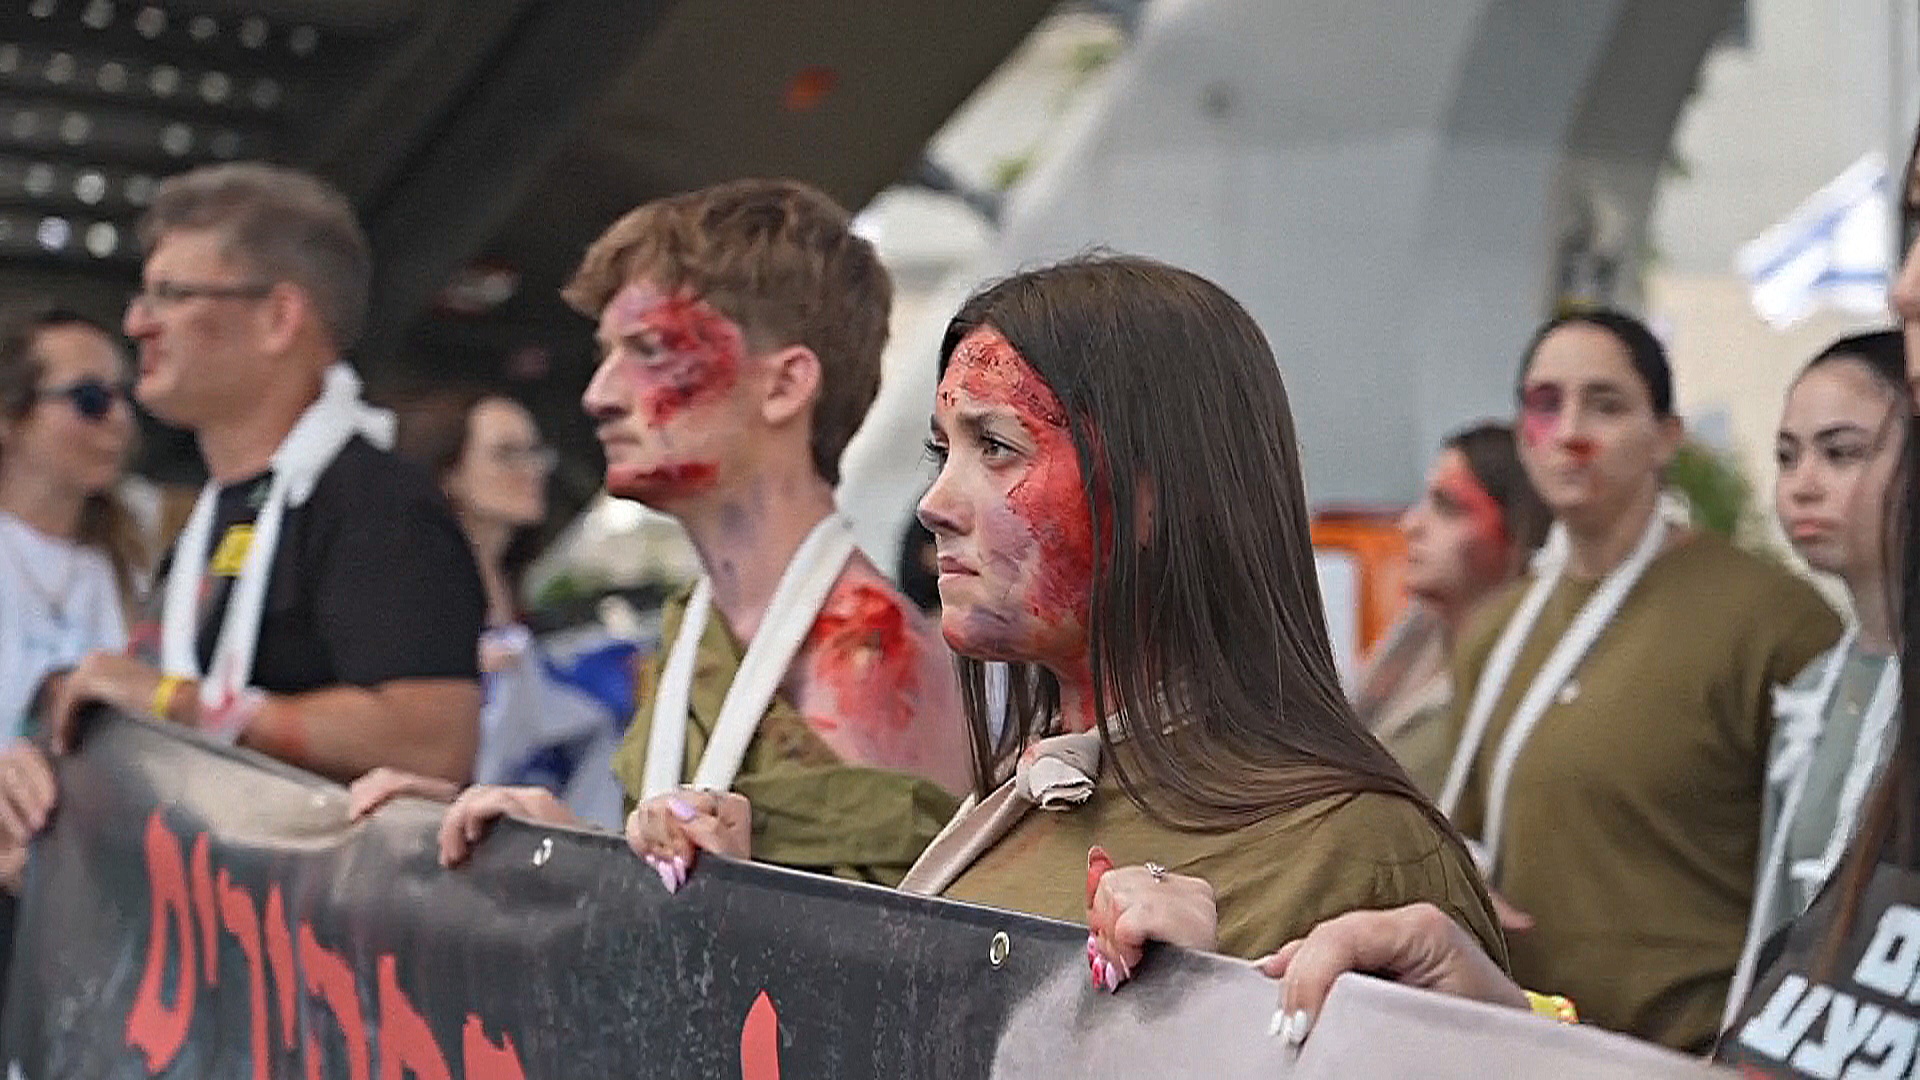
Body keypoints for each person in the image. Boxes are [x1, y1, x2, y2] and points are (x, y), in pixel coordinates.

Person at [628, 255, 1506, 993]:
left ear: (1159, 495)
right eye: (945, 451)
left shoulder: (1360, 855)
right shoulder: (1026, 796)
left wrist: (1198, 1018)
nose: (935, 503)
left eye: (996, 447)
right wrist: (721, 904)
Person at [352, 179, 970, 886]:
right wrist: (532, 841)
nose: (598, 394)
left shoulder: (867, 658)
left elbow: (888, 970)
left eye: (648, 349)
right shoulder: (702, 625)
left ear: (783, 386)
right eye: (606, 353)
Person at [0, 162, 485, 890]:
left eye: (172, 293)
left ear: (278, 319)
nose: (137, 323)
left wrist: (171, 703)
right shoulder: (224, 512)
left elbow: (433, 737)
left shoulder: (372, 503)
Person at [1428, 310, 1840, 1050]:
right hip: (1528, 1047)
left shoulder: (1773, 620)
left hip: (1693, 1052)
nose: (1571, 429)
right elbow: (1472, 830)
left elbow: (1829, 880)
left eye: (1607, 404)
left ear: (1666, 436)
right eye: (1546, 403)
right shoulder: (1495, 631)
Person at [1725, 331, 1907, 1020]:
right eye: (1786, 455)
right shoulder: (1811, 692)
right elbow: (1777, 915)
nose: (1802, 484)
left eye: (1841, 453)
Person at [392, 390, 632, 828]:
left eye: (536, 452)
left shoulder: (525, 587)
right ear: (450, 473)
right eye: (507, 453)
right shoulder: (417, 590)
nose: (531, 469)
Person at [1354, 423, 1547, 794]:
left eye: (1448, 508)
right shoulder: (1411, 648)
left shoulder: (1522, 691)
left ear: (1518, 533)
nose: (1411, 525)